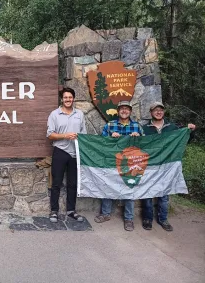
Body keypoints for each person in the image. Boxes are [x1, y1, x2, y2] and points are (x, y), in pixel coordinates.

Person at [141, 102, 196, 232]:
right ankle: (147, 219)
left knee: (164, 194)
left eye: (161, 110)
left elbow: (185, 139)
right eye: (156, 110)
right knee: (147, 192)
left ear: (164, 112)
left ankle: (163, 219)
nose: (158, 112)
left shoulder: (172, 127)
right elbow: (139, 146)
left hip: (167, 166)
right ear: (151, 112)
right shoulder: (144, 128)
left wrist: (190, 131)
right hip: (149, 165)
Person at [94, 100, 143, 231]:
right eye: (122, 108)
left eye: (127, 108)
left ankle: (129, 218)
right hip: (112, 161)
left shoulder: (137, 126)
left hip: (130, 163)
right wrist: (110, 137)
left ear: (130, 111)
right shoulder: (110, 125)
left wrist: (138, 137)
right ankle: (105, 213)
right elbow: (101, 142)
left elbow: (145, 145)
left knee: (129, 188)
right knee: (108, 185)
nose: (124, 110)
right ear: (118, 111)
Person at [47, 87, 87, 223]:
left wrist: (80, 138)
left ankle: (71, 210)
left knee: (73, 183)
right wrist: (65, 135)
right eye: (65, 97)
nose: (68, 100)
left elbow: (84, 134)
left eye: (70, 97)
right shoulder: (54, 114)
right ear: (62, 99)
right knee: (56, 183)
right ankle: (54, 211)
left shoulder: (79, 114)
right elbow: (50, 135)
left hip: (75, 153)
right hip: (60, 151)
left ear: (73, 98)